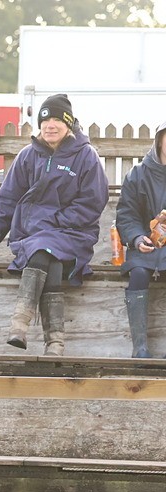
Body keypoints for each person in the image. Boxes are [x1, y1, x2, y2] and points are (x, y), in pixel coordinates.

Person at [0, 94, 109, 355]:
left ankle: (19, 325)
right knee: (45, 255)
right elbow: (8, 199)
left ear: (68, 123)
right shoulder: (27, 156)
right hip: (32, 235)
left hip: (73, 234)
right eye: (45, 120)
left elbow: (92, 203)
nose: (50, 125)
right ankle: (55, 341)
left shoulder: (86, 156)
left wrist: (55, 222)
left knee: (42, 250)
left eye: (56, 119)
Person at [115, 120, 166, 358]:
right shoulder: (137, 174)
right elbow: (126, 214)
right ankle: (140, 348)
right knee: (137, 273)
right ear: (159, 140)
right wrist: (137, 238)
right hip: (145, 246)